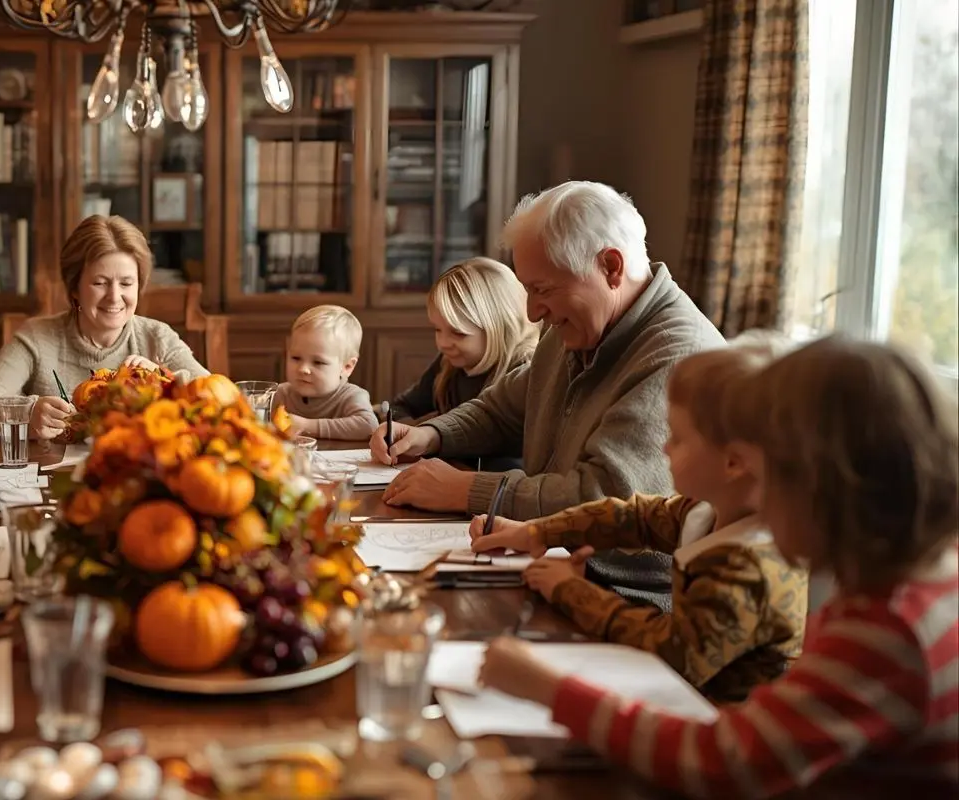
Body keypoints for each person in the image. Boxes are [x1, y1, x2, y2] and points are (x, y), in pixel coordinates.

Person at [479, 337, 959, 797]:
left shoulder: (886, 632)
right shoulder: (921, 585)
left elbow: (722, 761)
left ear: (823, 487)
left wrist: (550, 689)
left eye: (767, 480)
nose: (757, 501)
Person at [371, 181, 724, 607]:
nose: (531, 312)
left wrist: (468, 490)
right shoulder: (574, 329)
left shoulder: (678, 356)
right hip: (547, 563)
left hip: (630, 600)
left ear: (611, 267)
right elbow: (502, 409)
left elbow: (603, 498)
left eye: (543, 289)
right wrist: (431, 435)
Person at [470, 333, 807, 702]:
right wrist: (538, 532)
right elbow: (635, 517)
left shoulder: (749, 565)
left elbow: (673, 653)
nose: (664, 447)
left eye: (678, 438)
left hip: (719, 723)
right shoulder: (709, 508)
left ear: (733, 463)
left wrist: (572, 591)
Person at [0, 214, 208, 439]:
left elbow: (220, 401)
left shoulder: (157, 337)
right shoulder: (37, 338)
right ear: (75, 288)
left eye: (127, 283)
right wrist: (27, 415)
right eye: (100, 283)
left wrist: (165, 382)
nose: (114, 296)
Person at [383, 257, 536, 469]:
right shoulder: (449, 362)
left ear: (500, 326)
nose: (443, 343)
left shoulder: (526, 370)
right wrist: (404, 434)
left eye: (459, 333)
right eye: (437, 329)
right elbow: (400, 407)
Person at [272, 305, 377, 440]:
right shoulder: (279, 394)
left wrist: (307, 426)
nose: (303, 369)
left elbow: (369, 426)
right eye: (296, 358)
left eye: (318, 362)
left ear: (347, 367)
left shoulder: (351, 396)